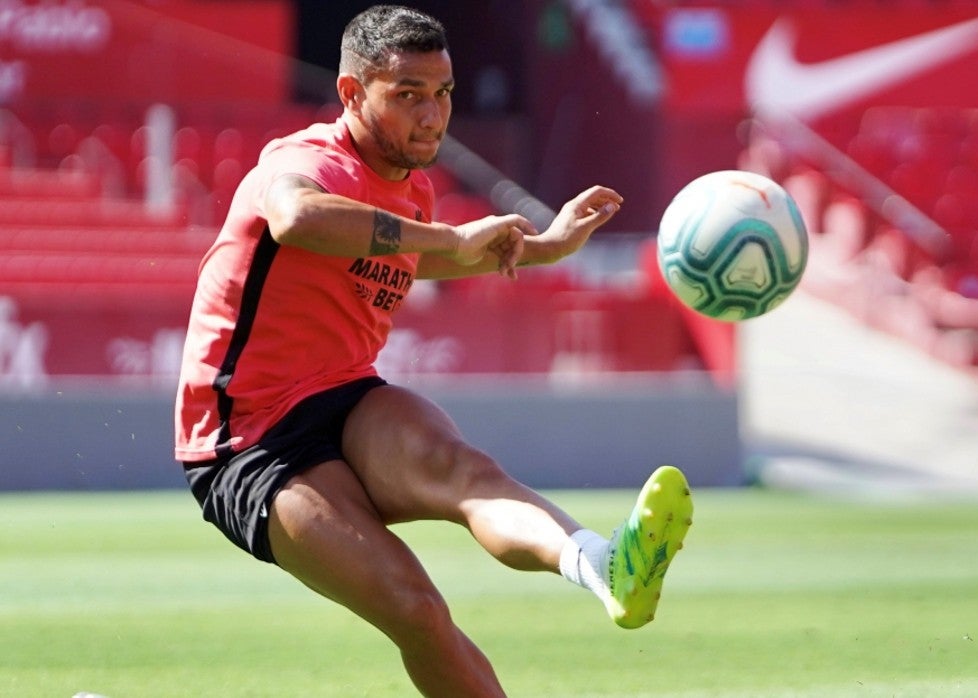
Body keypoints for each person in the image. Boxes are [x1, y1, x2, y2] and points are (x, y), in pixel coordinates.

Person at [173, 5, 693, 696]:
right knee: (417, 610)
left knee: (464, 469)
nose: (432, 115)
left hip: (346, 396)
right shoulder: (303, 160)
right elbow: (299, 218)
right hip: (247, 440)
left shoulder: (411, 189)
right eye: (408, 95)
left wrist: (548, 247)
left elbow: (424, 259)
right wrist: (450, 238)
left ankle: (605, 565)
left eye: (443, 93)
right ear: (354, 93)